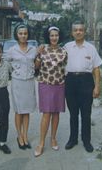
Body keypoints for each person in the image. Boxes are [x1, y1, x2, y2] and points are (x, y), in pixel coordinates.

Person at [64, 21, 102, 153]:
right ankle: (73, 139)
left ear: (84, 32)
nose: (78, 32)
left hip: (86, 81)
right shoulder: (67, 47)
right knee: (73, 113)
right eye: (76, 30)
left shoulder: (91, 48)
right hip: (70, 81)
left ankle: (86, 141)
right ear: (72, 32)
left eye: (81, 30)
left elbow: (96, 68)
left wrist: (97, 86)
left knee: (86, 114)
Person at [34, 26, 67, 157]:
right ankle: (41, 143)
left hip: (59, 85)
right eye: (52, 35)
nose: (54, 38)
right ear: (48, 36)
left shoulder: (64, 51)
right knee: (46, 114)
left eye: (56, 35)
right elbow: (36, 67)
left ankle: (53, 138)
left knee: (56, 113)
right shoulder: (43, 49)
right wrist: (38, 54)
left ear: (59, 37)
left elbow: (66, 68)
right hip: (45, 84)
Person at [5, 23, 37, 150]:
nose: (23, 36)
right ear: (17, 35)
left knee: (27, 110)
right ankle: (19, 136)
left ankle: (25, 135)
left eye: (25, 33)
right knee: (19, 110)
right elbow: (2, 62)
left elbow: (37, 64)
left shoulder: (33, 49)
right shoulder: (12, 50)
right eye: (21, 33)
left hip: (29, 81)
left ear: (28, 34)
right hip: (17, 82)